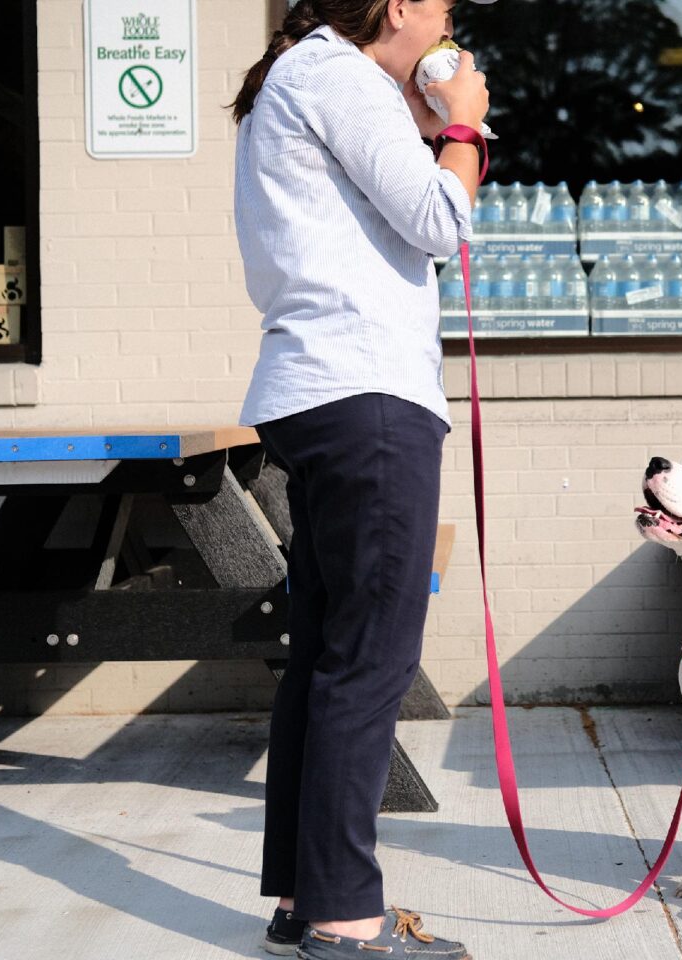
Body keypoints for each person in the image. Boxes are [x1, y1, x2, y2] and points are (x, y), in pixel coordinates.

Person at [230, 1, 492, 957]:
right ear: (399, 6)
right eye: (445, 9)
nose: (451, 27)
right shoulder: (341, 77)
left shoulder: (308, 79)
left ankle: (308, 901)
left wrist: (424, 123)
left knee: (327, 657)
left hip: (317, 394)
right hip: (366, 395)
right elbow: (439, 221)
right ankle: (345, 918)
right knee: (370, 660)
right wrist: (464, 125)